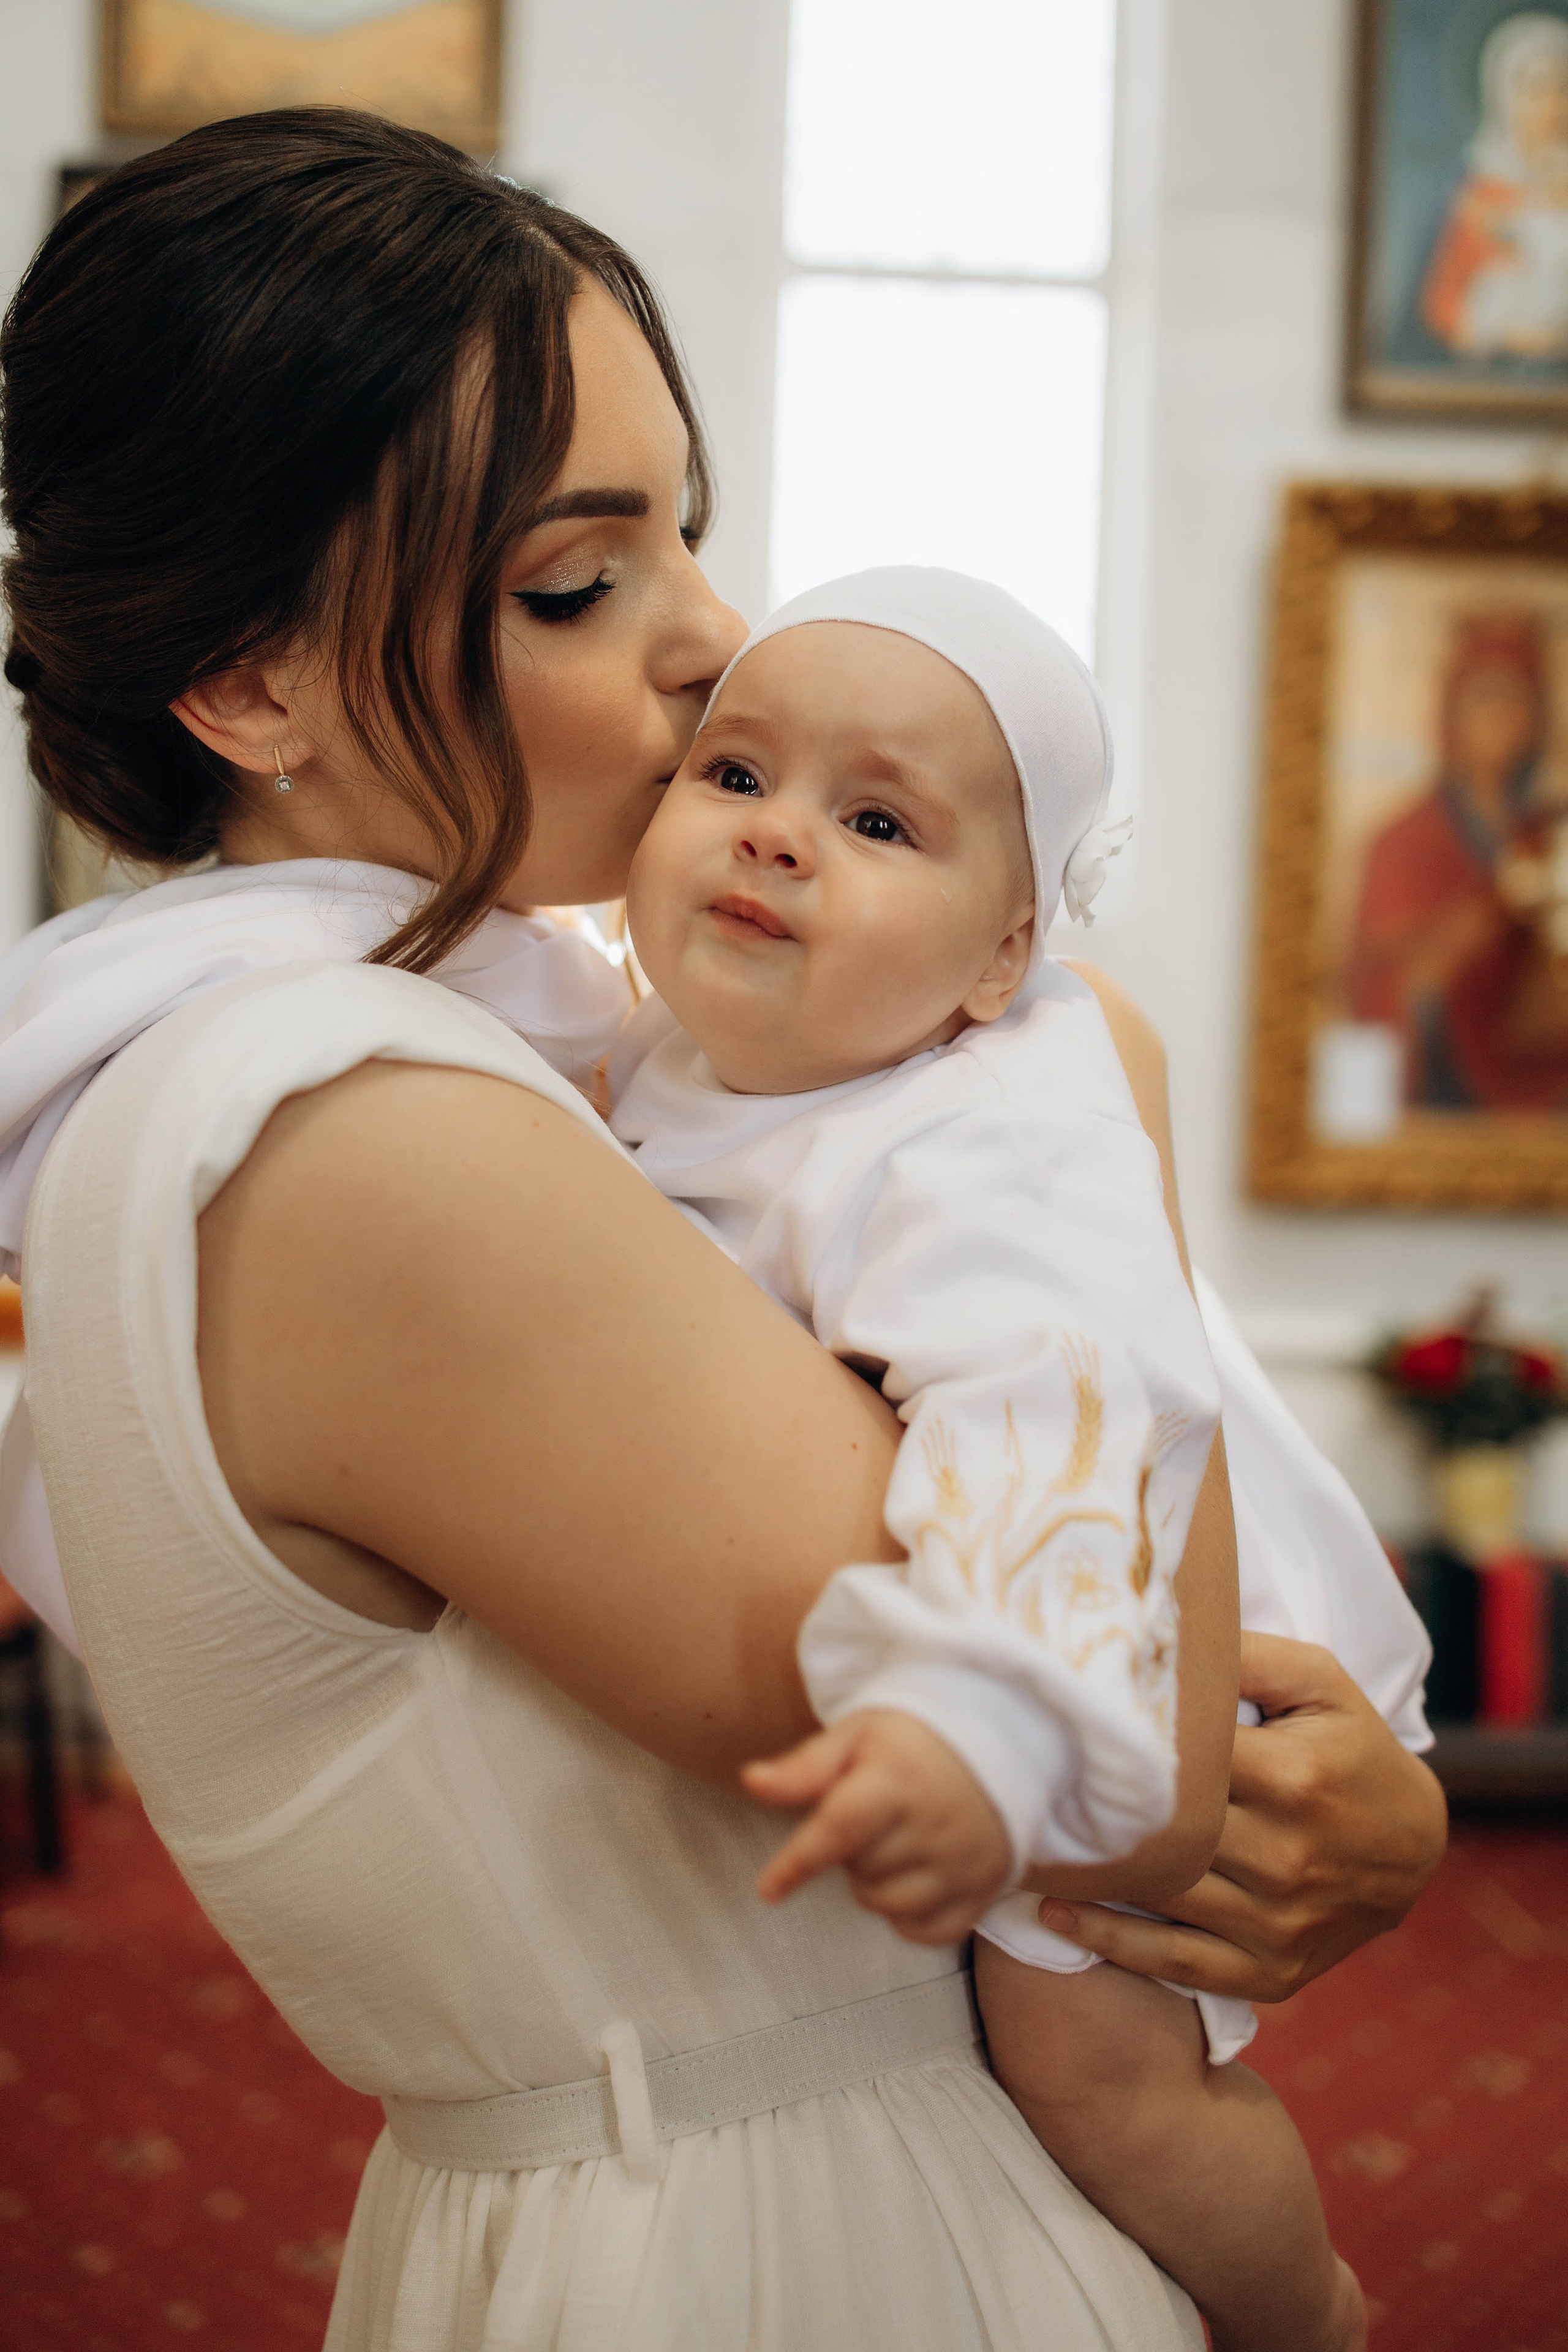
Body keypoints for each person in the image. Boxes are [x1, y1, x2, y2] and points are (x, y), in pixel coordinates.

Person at [0, 110, 1446, 2352]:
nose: (707, 641)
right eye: (572, 584)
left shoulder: (503, 1056)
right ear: (252, 684)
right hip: (800, 2246)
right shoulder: (359, 1133)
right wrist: (1085, 1081)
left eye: (689, 532)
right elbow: (1125, 1783)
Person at [608, 569, 1433, 2352]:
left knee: (1088, 2054)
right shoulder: (655, 1045)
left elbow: (1055, 1438)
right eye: (734, 774)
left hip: (1124, 1622)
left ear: (999, 961)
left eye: (878, 817)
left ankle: (1309, 2308)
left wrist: (975, 1717)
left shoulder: (986, 1136)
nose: (776, 841)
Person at [1347, 611, 1568, 1110]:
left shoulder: (1546, 833)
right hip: (1447, 1081)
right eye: (1487, 696)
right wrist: (1445, 953)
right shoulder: (1402, 840)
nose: (1503, 716)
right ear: (1453, 709)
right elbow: (1373, 984)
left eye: (1519, 699)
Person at [1422, 12, 1568, 361]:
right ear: (1505, 96)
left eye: (1564, 89)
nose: (1554, 107)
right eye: (1538, 89)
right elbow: (1442, 311)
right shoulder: (1477, 196)